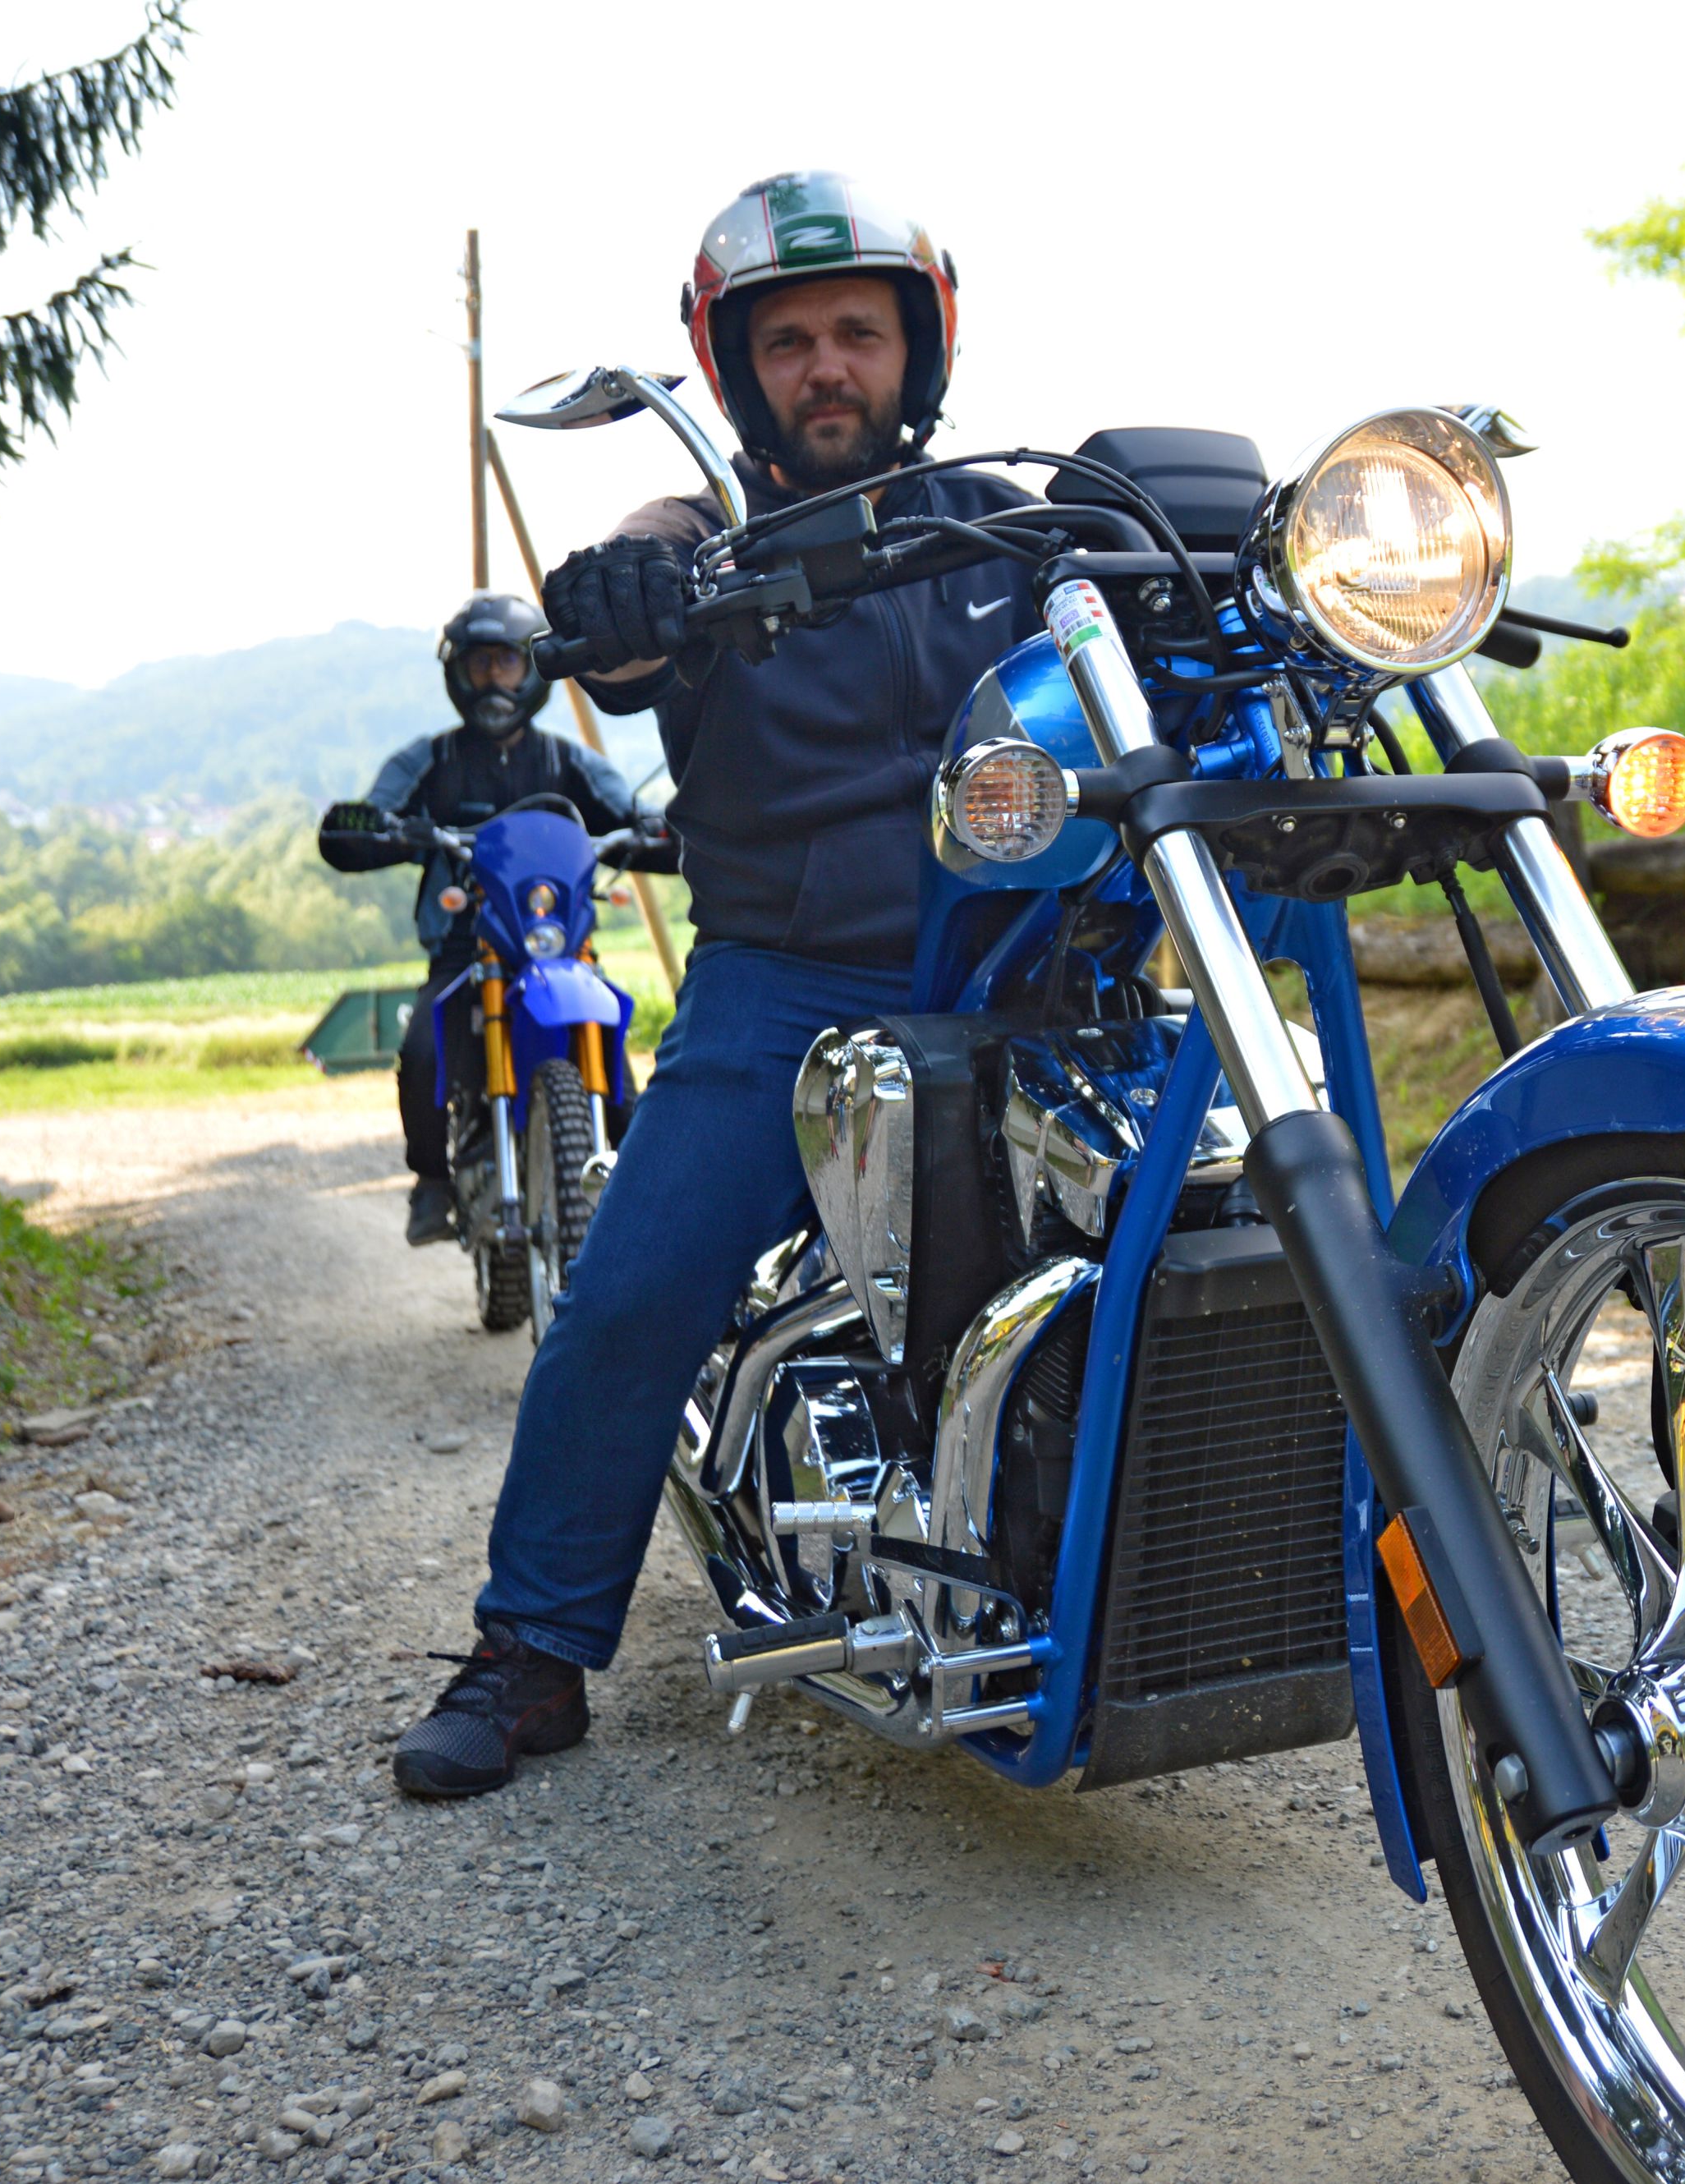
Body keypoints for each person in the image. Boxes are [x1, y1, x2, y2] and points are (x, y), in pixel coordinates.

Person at [391, 172, 1044, 1796]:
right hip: (788, 988)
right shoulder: (703, 536)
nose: (830, 366)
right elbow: (621, 617)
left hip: (1024, 968)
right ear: (740, 369)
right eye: (794, 341)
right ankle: (532, 1649)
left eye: (860, 335)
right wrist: (614, 601)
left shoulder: (1007, 526)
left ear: (920, 350)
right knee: (630, 1293)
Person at [323, 594, 645, 1248]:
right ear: (457, 674)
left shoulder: (567, 761)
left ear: (530, 671)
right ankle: (433, 1181)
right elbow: (369, 816)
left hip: (556, 947)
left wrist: (657, 828)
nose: (494, 679)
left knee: (622, 1075)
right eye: (480, 666)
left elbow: (629, 811)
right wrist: (377, 827)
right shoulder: (431, 760)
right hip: (464, 949)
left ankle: (644, 1190)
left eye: (505, 662)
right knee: (420, 1054)